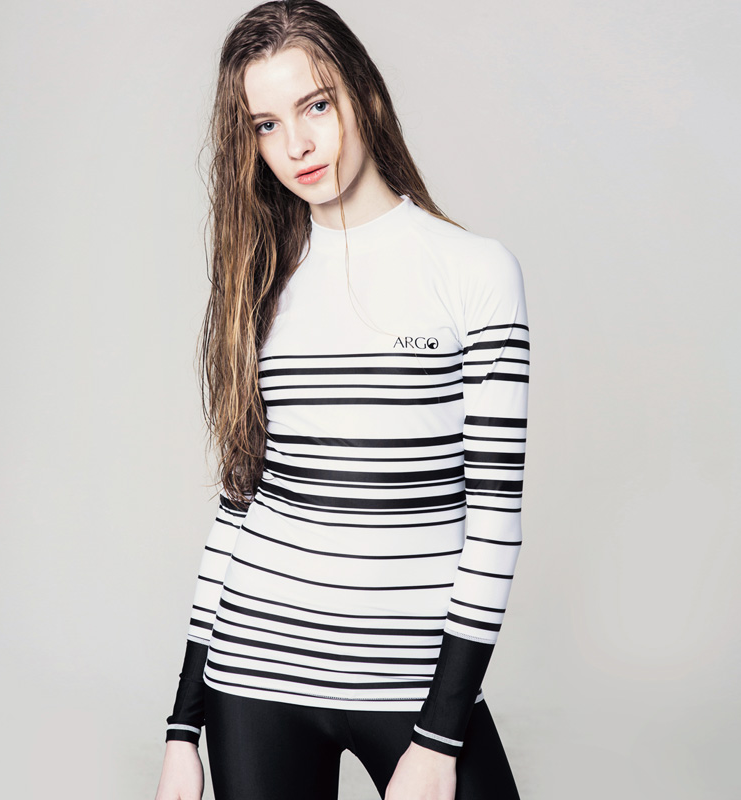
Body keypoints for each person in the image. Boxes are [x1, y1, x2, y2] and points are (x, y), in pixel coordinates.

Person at [154, 2, 530, 798]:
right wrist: (183, 728)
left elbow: (495, 523)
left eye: (316, 105)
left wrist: (440, 738)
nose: (296, 144)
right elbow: (238, 510)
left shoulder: (475, 272)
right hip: (255, 676)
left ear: (366, 95)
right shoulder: (263, 283)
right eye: (266, 124)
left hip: (415, 688)